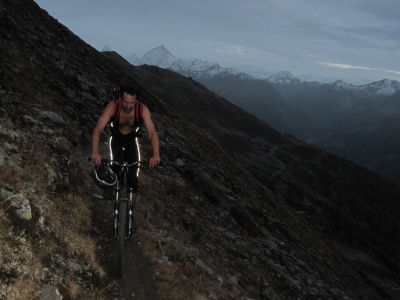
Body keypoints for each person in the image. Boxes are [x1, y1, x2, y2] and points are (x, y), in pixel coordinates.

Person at [91, 84, 160, 200]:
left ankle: (130, 213)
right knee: (117, 164)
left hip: (132, 140)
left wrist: (156, 155)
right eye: (125, 102)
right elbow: (97, 130)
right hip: (116, 138)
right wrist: (95, 152)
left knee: (133, 177)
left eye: (131, 103)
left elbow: (153, 133)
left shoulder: (143, 110)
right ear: (120, 99)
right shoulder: (113, 107)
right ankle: (110, 184)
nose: (128, 106)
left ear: (136, 100)